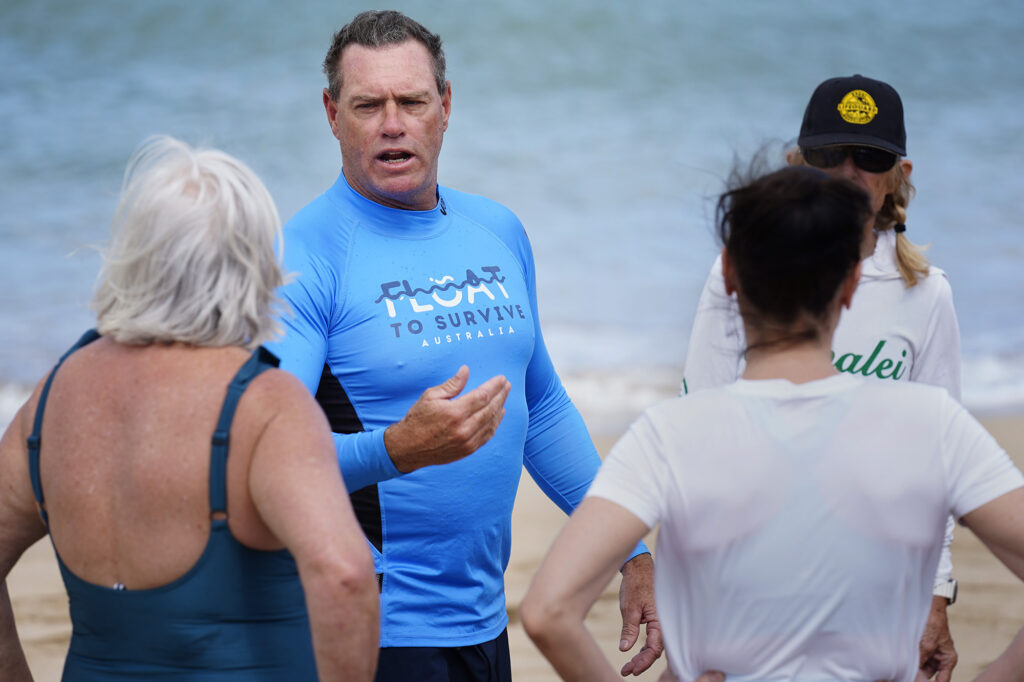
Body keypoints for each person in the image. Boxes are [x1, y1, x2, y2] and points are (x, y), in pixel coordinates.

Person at [266, 9, 659, 681]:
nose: (393, 124)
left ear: (445, 106)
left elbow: (543, 406)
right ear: (332, 114)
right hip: (372, 629)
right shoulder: (302, 257)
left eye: (412, 101)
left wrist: (630, 550)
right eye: (368, 105)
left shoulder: (496, 230)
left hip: (484, 620)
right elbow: (267, 459)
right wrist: (397, 449)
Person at [521, 164, 1024, 682]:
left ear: (729, 276)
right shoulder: (932, 425)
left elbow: (547, 613)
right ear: (852, 284)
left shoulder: (671, 435)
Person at [0, 136, 379, 680]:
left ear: (134, 255)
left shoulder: (52, 395)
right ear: (254, 264)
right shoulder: (265, 405)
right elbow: (344, 575)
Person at [682, 74, 962, 678]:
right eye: (830, 154)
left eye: (871, 158)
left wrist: (937, 594)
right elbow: (701, 441)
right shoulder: (739, 273)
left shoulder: (926, 293)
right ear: (798, 165)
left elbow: (938, 465)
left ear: (898, 176)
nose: (849, 172)